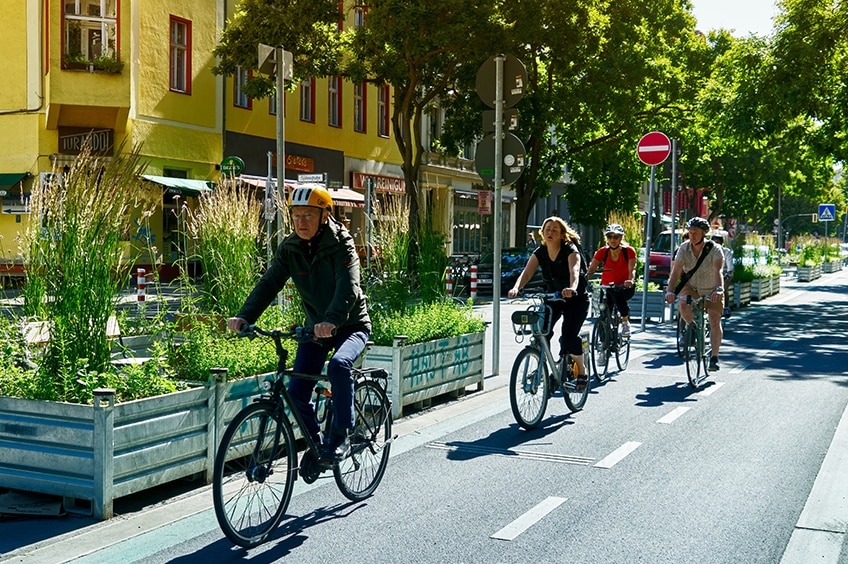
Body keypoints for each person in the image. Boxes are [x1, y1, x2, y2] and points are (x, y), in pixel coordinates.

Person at [227, 185, 370, 465]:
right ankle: (317, 445)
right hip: (315, 329)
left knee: (340, 365)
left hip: (350, 324)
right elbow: (269, 283)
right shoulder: (291, 247)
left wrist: (332, 319)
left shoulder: (342, 243)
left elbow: (349, 287)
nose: (301, 222)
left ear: (325, 215)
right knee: (296, 393)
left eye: (308, 215)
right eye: (296, 216)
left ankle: (342, 434)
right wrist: (245, 316)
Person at [508, 216, 590, 388]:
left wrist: (572, 288)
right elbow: (527, 273)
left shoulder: (570, 249)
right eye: (547, 229)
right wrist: (517, 288)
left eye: (555, 230)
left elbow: (574, 271)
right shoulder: (540, 252)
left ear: (561, 235)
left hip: (575, 299)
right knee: (541, 332)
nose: (550, 232)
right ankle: (542, 366)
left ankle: (581, 370)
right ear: (542, 233)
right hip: (553, 297)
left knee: (568, 337)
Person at [665, 217, 725, 371]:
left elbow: (717, 270)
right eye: (690, 232)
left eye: (696, 233)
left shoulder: (714, 249)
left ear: (704, 234)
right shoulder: (683, 248)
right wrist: (670, 291)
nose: (692, 235)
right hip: (691, 286)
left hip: (712, 287)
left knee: (714, 319)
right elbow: (676, 272)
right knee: (683, 305)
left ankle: (714, 357)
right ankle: (694, 328)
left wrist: (718, 289)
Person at [586, 223, 638, 337]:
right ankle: (604, 344)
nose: (612, 239)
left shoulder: (628, 251)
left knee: (618, 295)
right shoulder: (603, 251)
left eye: (616, 237)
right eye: (610, 236)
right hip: (607, 287)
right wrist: (584, 280)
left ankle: (625, 322)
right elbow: (592, 268)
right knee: (604, 311)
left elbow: (632, 269)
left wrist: (630, 280)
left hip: (624, 287)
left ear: (621, 238)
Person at [711, 232, 734, 318]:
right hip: (710, 274)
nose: (716, 244)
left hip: (723, 273)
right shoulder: (708, 251)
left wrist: (728, 273)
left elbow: (730, 266)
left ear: (722, 243)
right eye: (714, 242)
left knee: (723, 288)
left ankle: (726, 307)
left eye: (718, 242)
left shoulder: (726, 252)